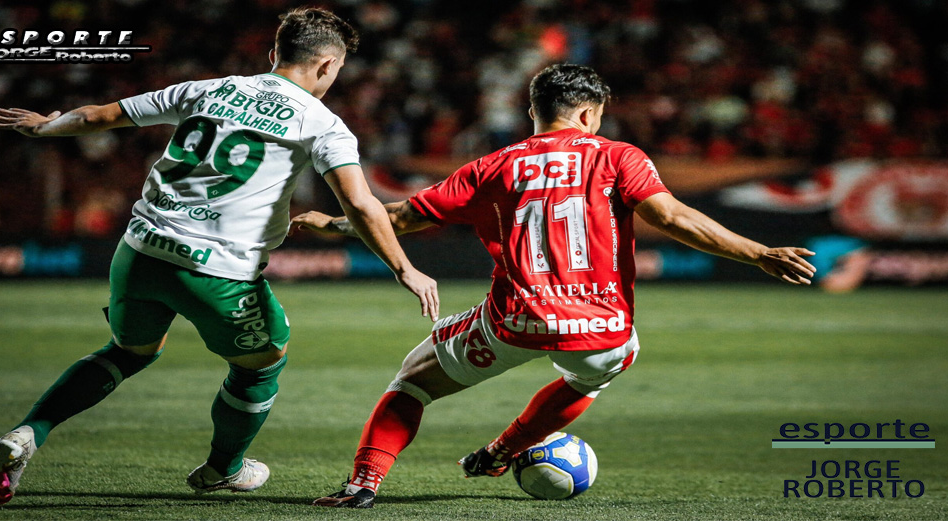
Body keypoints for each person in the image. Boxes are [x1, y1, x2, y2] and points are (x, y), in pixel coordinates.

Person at [289, 63, 816, 509]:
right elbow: (674, 219)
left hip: (518, 320)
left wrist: (333, 224)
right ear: (590, 115)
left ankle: (363, 483)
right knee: (601, 369)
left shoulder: (493, 165)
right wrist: (760, 253)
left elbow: (403, 217)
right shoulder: (618, 157)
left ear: (534, 113)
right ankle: (504, 450)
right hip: (605, 328)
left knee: (412, 383)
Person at [0, 7, 438, 505]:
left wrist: (47, 127)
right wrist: (405, 268)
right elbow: (361, 203)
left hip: (140, 251)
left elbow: (97, 116)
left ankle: (26, 434)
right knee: (262, 364)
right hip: (217, 272)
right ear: (328, 65)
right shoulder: (322, 123)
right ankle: (223, 467)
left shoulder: (205, 88)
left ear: (273, 55)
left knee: (128, 351)